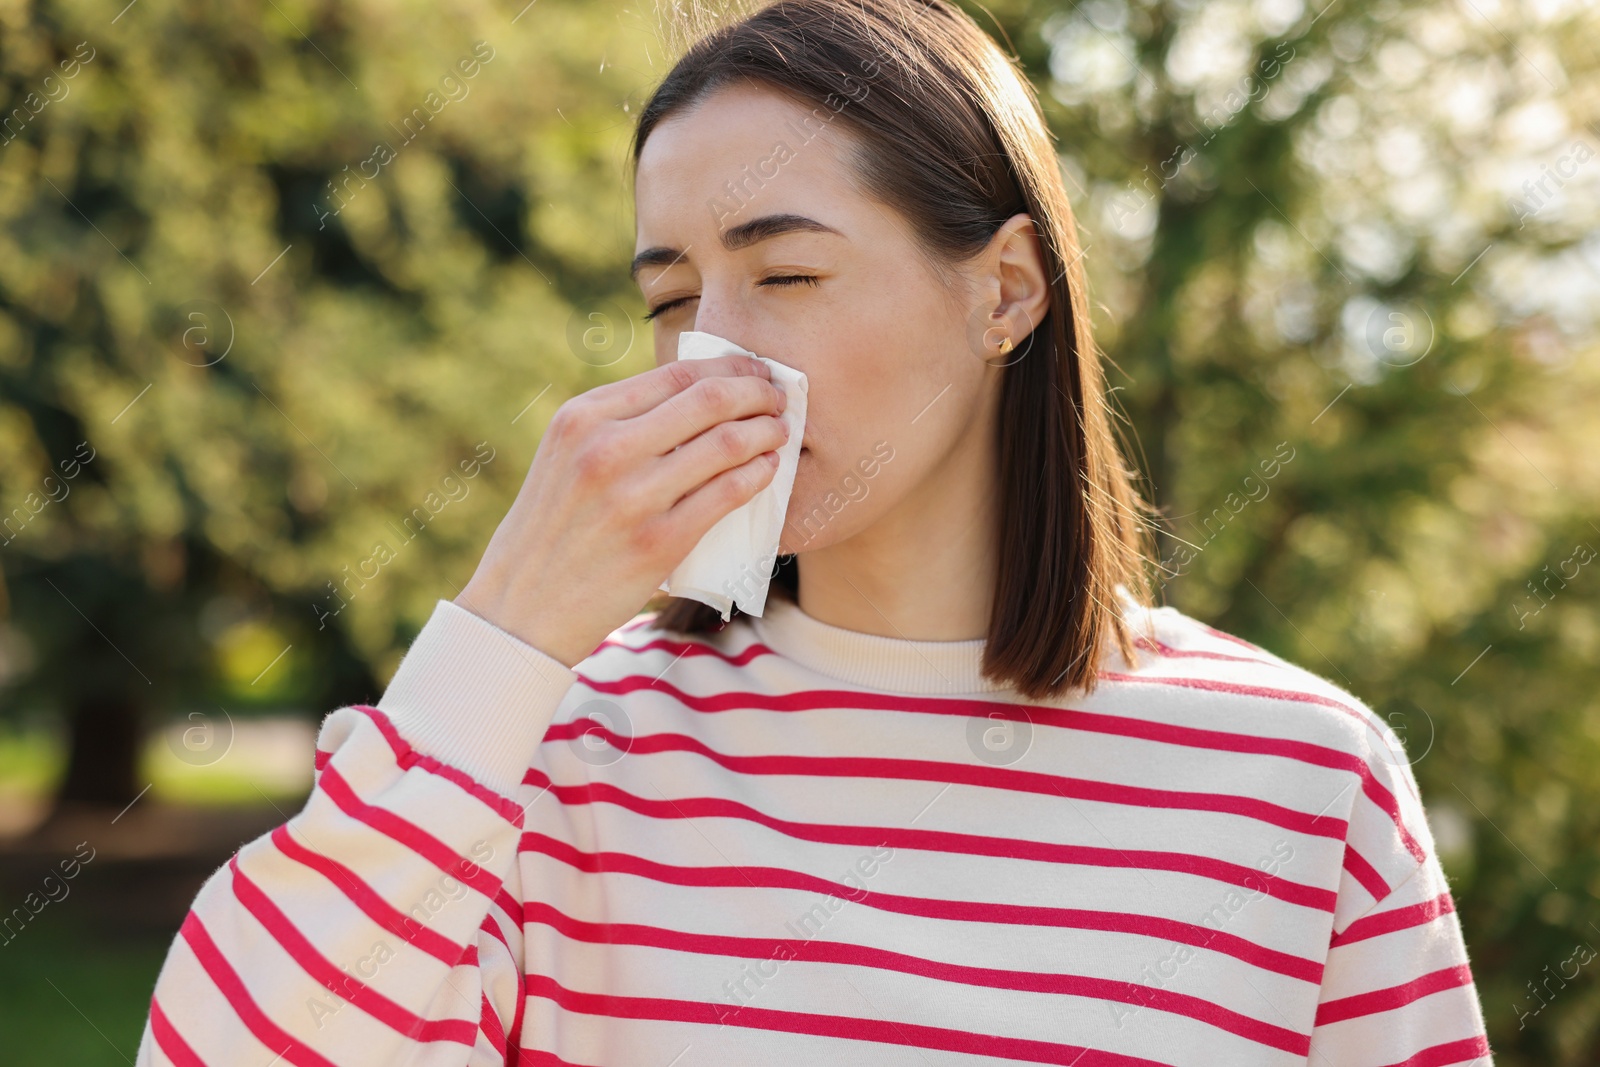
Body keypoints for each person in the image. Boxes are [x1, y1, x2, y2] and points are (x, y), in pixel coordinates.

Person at [136, 0, 1495, 1063]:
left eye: (785, 273)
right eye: (670, 297)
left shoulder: (1307, 786)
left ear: (1006, 291)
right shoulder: (551, 760)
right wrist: (505, 627)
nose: (713, 354)